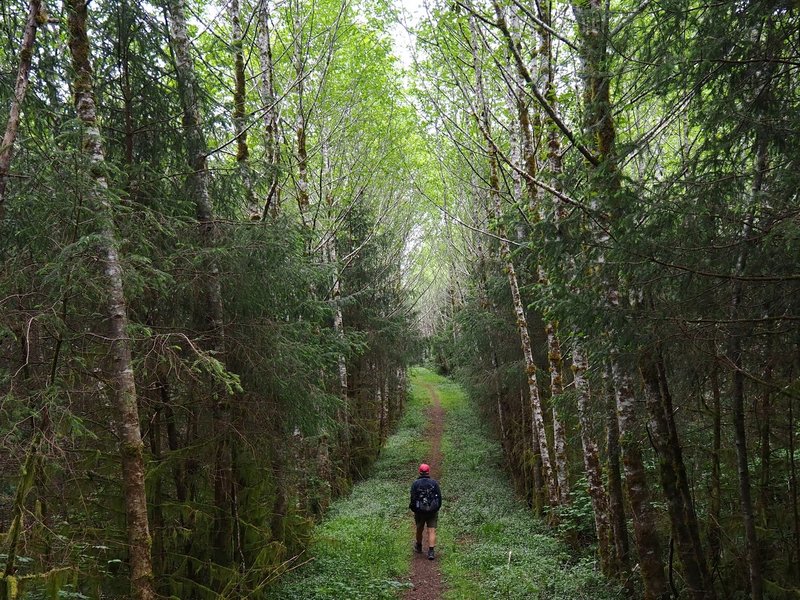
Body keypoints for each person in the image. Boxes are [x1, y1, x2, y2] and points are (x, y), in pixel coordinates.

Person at [409, 463, 442, 560]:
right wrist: (436, 508)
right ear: (428, 472)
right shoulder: (434, 483)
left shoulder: (415, 483)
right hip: (432, 511)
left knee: (419, 529)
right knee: (431, 530)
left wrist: (414, 509)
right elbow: (439, 498)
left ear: (419, 472)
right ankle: (431, 552)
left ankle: (419, 546)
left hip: (419, 511)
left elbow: (413, 499)